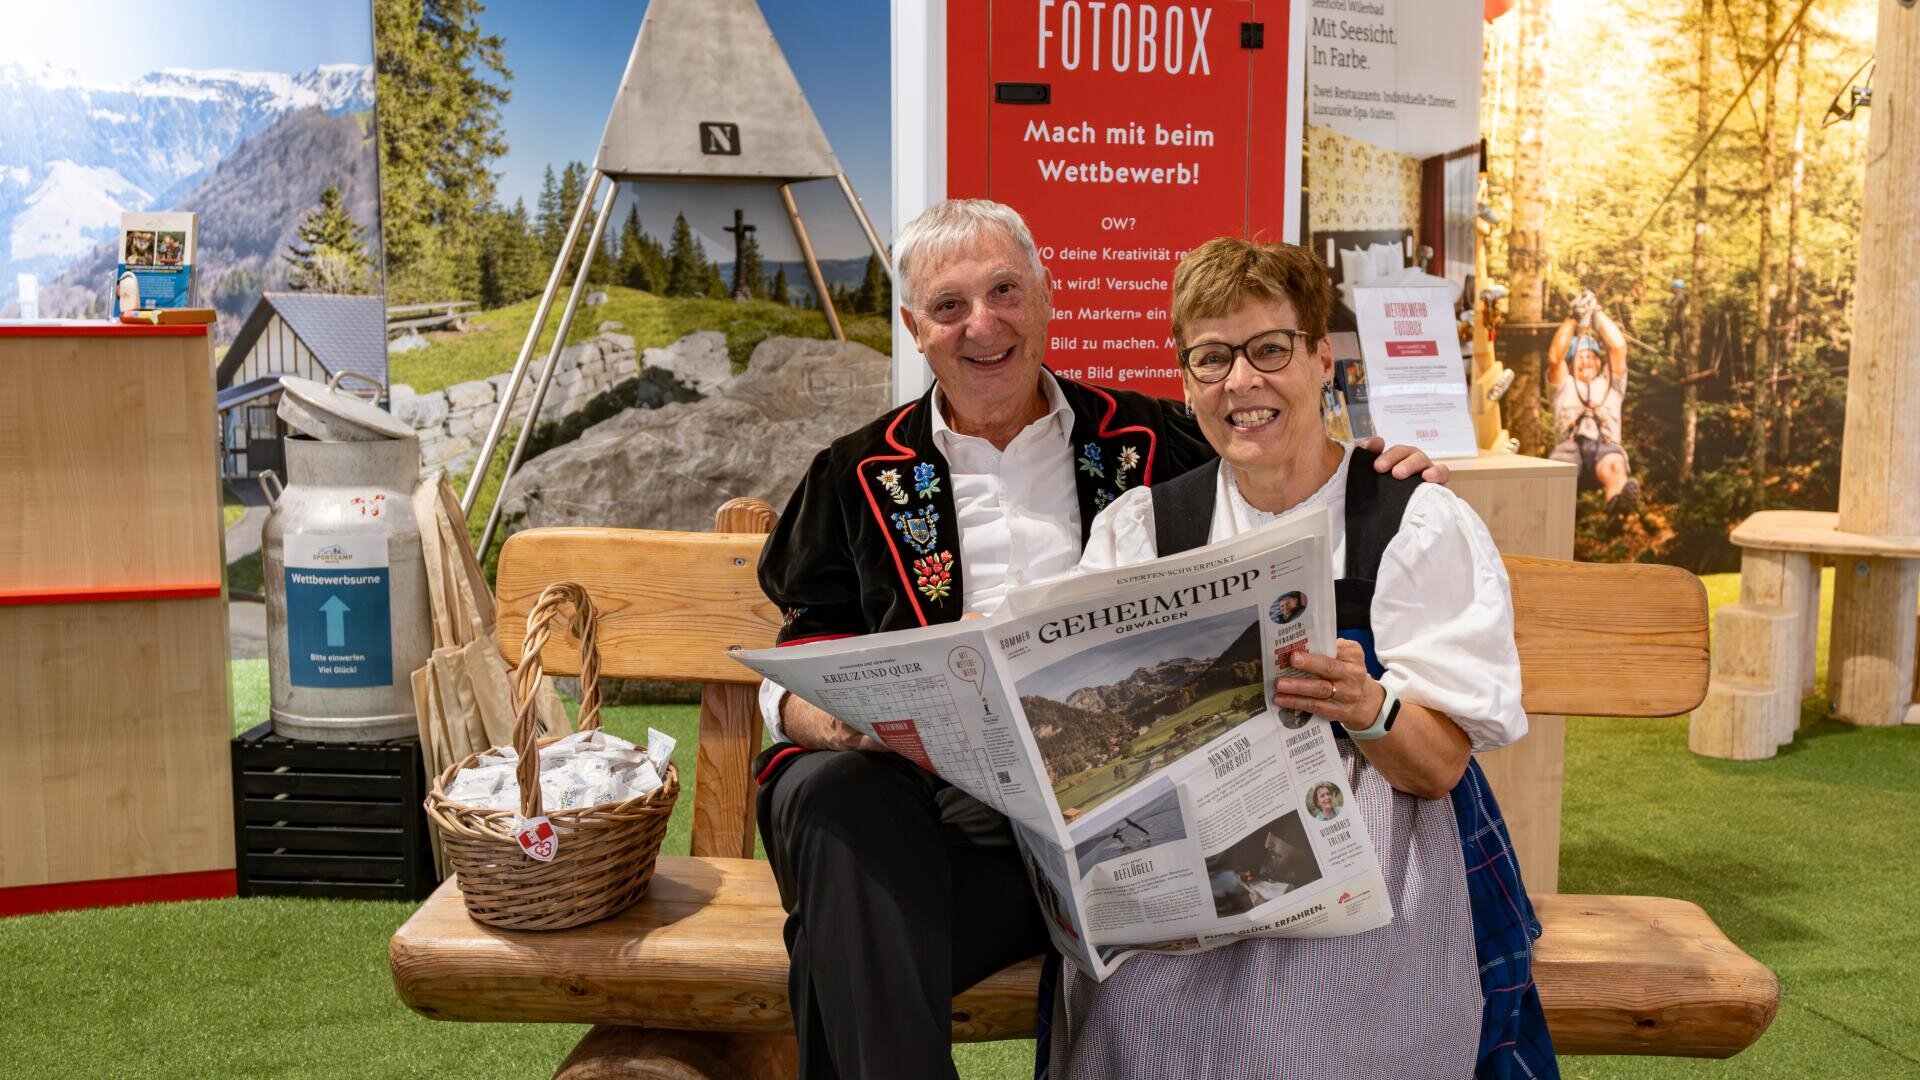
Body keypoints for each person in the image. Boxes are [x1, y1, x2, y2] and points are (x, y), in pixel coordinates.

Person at [752, 199, 1449, 1080]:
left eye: (1005, 291)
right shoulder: (857, 472)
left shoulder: (1151, 443)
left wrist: (1379, 471)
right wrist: (832, 720)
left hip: (1063, 829)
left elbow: (1281, 461)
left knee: (843, 933)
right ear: (913, 329)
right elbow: (797, 655)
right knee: (831, 797)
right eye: (949, 305)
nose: (983, 325)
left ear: (1047, 301)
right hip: (893, 803)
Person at [1059, 237, 1555, 1079]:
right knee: (1128, 1007)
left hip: (1365, 849)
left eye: (1269, 350)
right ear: (1186, 380)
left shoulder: (1410, 521)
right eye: (1212, 358)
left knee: (1316, 1027)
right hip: (1183, 848)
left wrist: (1372, 707)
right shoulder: (1143, 529)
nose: (1241, 383)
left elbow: (1438, 771)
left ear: (1323, 359)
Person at [1548, 290, 1638, 513]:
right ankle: (1551, 519)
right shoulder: (1563, 386)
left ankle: (1616, 506)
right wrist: (1573, 317)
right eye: (1580, 357)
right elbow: (1554, 358)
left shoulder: (1611, 386)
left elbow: (1618, 348)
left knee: (1616, 466)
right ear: (1571, 363)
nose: (1586, 361)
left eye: (1591, 357)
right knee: (1556, 477)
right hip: (1569, 448)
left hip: (1603, 447)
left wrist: (1596, 315)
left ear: (1599, 363)